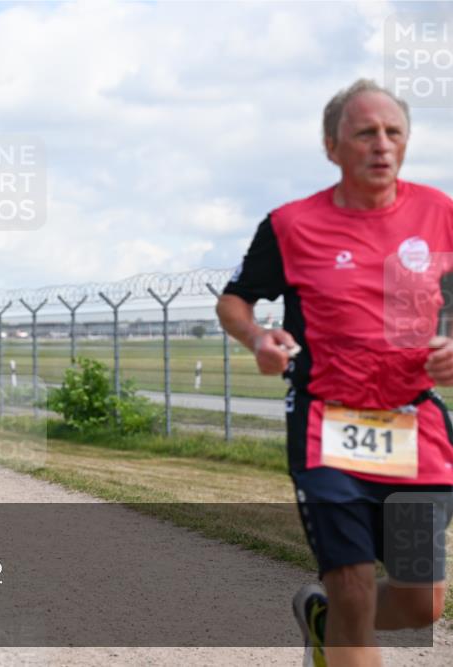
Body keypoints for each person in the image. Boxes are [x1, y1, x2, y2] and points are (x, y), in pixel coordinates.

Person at [216, 80, 453, 667]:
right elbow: (235, 300)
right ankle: (341, 615)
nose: (382, 144)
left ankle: (324, 620)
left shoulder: (440, 214)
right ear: (331, 146)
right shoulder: (292, 225)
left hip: (413, 423)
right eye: (365, 132)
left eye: (394, 132)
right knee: (351, 588)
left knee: (422, 604)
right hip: (327, 422)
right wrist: (258, 338)